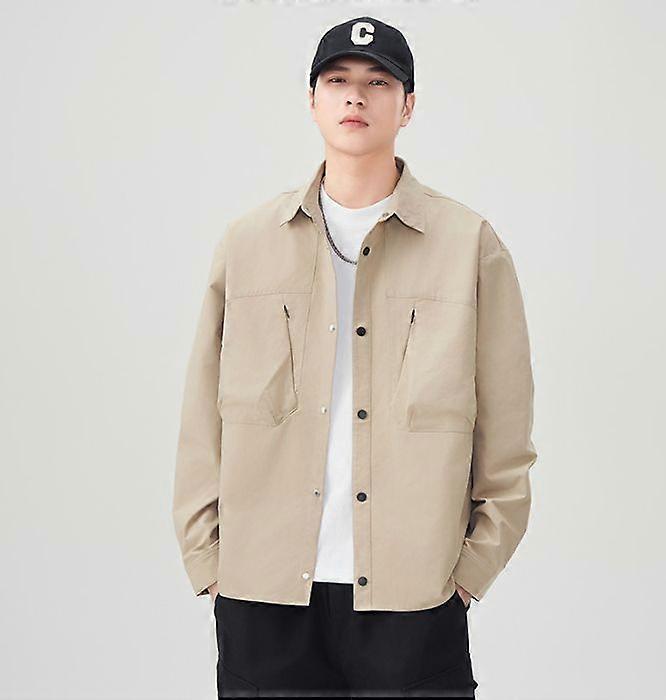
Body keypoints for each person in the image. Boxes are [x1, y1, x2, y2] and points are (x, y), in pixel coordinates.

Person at [172, 15, 537, 698]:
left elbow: (507, 438)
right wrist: (209, 561)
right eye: (337, 80)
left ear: (408, 106)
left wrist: (466, 577)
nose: (355, 97)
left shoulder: (469, 246)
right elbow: (200, 419)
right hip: (263, 596)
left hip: (414, 599)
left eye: (378, 83)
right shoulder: (248, 245)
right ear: (312, 101)